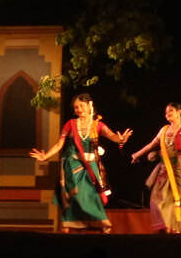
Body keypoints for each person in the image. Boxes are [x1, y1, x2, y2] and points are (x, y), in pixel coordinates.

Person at [30, 94, 131, 233]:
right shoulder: (70, 124)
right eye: (76, 107)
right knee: (76, 193)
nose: (78, 109)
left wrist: (120, 139)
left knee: (93, 195)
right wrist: (45, 156)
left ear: (90, 105)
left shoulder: (98, 125)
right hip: (73, 164)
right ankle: (70, 223)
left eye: (81, 106)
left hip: (91, 166)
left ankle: (97, 222)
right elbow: (60, 144)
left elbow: (112, 136)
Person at [128, 103, 181, 233]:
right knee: (158, 199)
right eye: (166, 112)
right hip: (164, 170)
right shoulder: (164, 130)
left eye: (171, 111)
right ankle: (167, 227)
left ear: (179, 112)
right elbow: (151, 145)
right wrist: (136, 155)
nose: (167, 114)